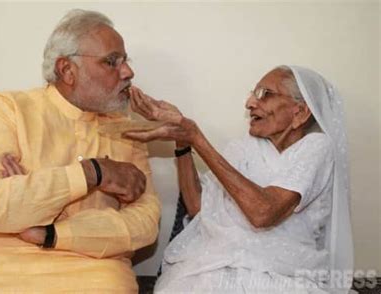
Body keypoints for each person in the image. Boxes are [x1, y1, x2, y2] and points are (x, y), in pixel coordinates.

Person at [0, 9, 160, 293]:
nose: (127, 72)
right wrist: (91, 173)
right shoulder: (8, 108)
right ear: (67, 70)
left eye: (125, 61)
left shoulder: (128, 130)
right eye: (111, 62)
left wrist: (51, 230)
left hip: (93, 269)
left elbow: (146, 224)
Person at [124, 66, 353, 293]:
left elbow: (264, 213)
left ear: (300, 112)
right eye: (253, 93)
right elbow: (197, 207)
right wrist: (183, 142)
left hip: (285, 274)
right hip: (215, 264)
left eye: (265, 94)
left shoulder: (317, 148)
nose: (250, 103)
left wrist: (197, 138)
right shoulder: (242, 148)